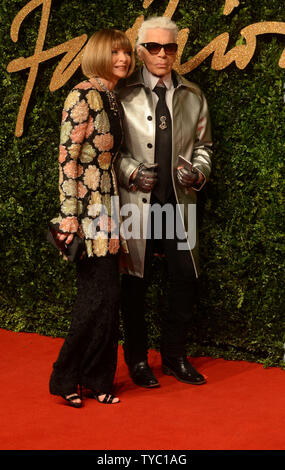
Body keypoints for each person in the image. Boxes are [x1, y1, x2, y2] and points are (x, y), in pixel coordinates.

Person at [115, 16, 213, 388]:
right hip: (135, 205)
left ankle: (174, 357)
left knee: (185, 279)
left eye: (169, 47)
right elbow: (112, 150)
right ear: (140, 50)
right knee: (134, 283)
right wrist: (131, 172)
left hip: (177, 205)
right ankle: (138, 361)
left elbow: (204, 147)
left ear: (176, 50)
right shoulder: (121, 94)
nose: (162, 54)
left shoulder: (193, 94)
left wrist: (198, 172)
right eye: (153, 47)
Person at [49, 29, 135, 407]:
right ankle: (65, 376)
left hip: (108, 207)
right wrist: (68, 218)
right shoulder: (82, 94)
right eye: (115, 52)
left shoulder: (111, 97)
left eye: (127, 53)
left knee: (110, 297)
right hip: (85, 210)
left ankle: (98, 379)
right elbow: (68, 159)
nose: (123, 59)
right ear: (100, 54)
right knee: (94, 297)